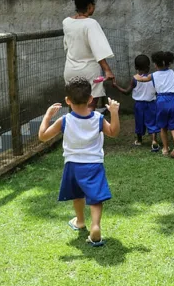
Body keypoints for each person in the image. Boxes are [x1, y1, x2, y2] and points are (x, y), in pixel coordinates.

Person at [37, 77, 120, 246]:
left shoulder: (64, 120)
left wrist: (47, 116)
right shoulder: (97, 118)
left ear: (67, 100)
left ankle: (80, 221)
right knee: (95, 198)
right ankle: (95, 225)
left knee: (77, 195)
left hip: (73, 165)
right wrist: (114, 113)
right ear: (90, 99)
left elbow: (43, 136)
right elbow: (113, 132)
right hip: (94, 164)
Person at [63, 0, 114, 110]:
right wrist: (107, 70)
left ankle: (74, 129)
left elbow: (66, 46)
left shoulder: (66, 22)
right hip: (90, 72)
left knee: (75, 105)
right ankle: (89, 128)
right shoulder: (91, 24)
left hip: (70, 70)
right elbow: (99, 50)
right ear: (90, 6)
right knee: (90, 105)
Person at [134, 51, 174, 158]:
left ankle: (165, 148)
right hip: (173, 99)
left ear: (155, 65)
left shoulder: (154, 75)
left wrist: (137, 76)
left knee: (163, 127)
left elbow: (143, 79)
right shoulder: (172, 72)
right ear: (169, 63)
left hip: (161, 100)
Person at [112, 54, 159, 151]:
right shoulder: (153, 77)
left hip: (139, 105)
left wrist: (116, 86)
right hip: (151, 104)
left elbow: (126, 92)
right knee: (152, 122)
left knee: (139, 122)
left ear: (135, 67)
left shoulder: (135, 79)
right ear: (149, 66)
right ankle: (154, 140)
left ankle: (139, 140)